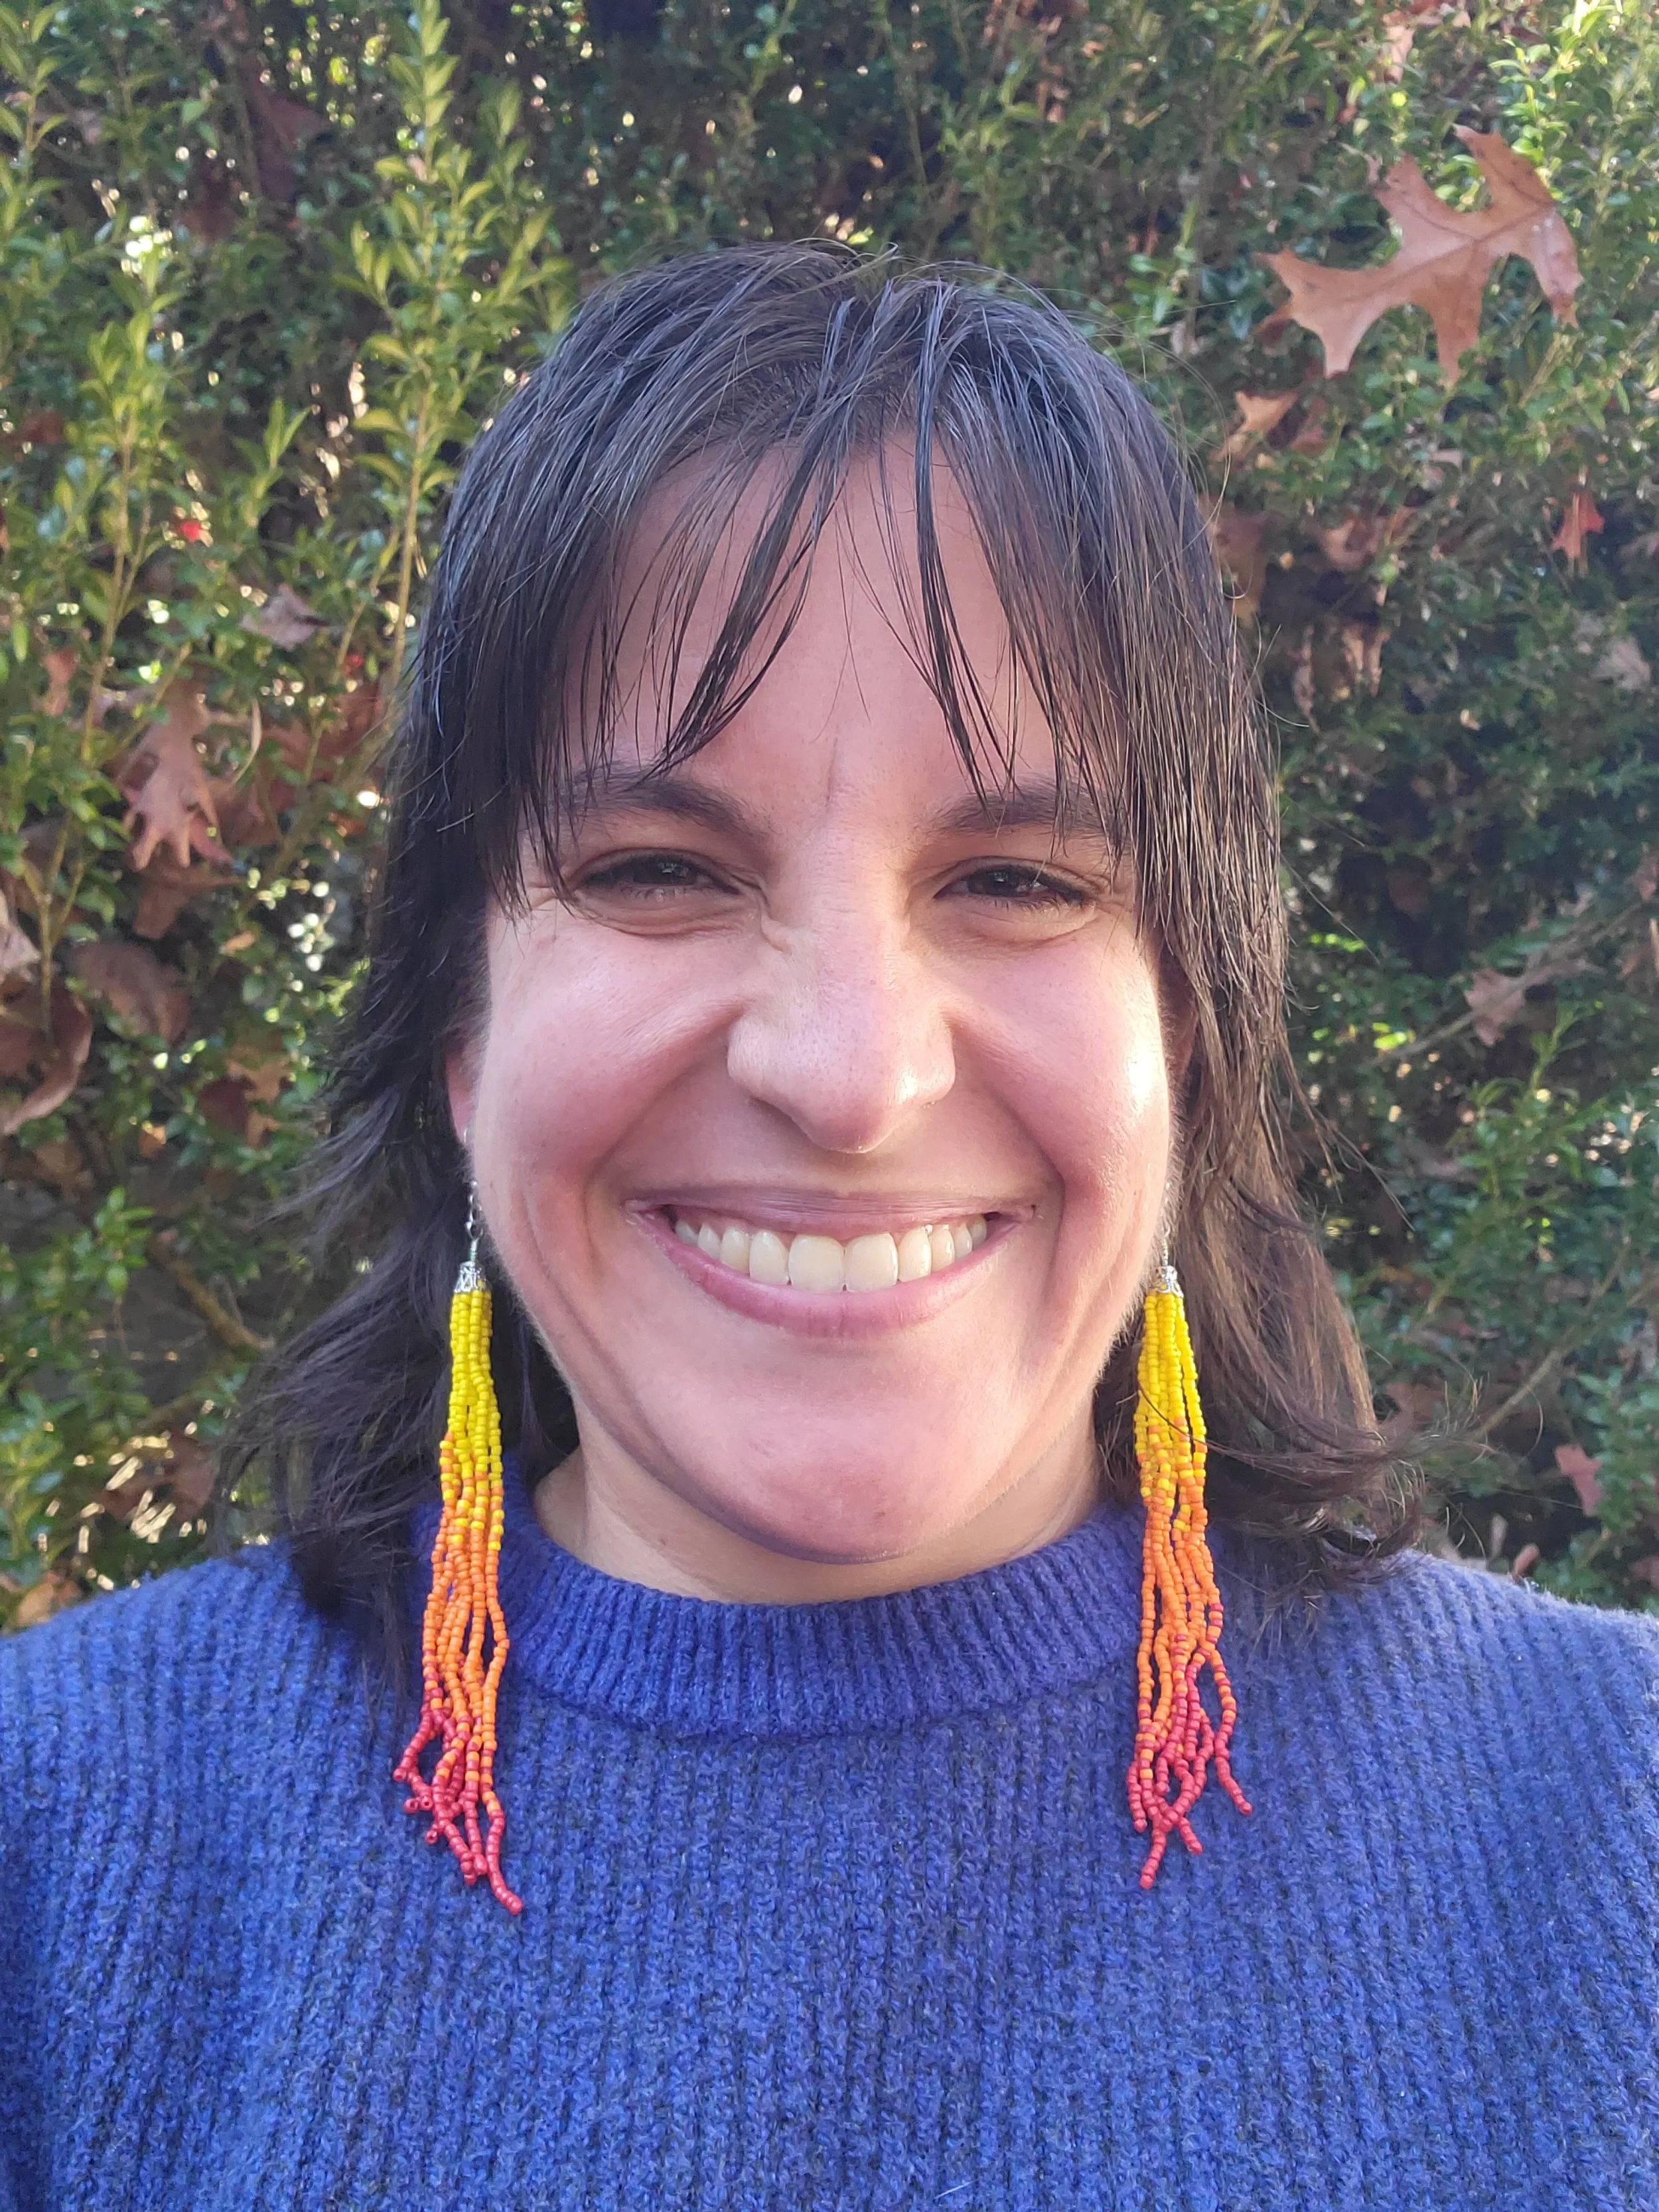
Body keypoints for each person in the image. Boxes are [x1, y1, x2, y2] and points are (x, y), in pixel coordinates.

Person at [3, 243, 1655, 2212]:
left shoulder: (1608, 1825)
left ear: (1188, 1036)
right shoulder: (61, 1847)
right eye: (656, 868)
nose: (851, 1074)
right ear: (459, 1036)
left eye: (1016, 880)